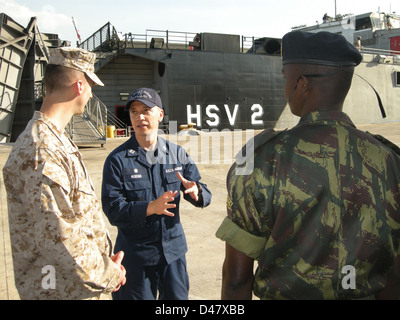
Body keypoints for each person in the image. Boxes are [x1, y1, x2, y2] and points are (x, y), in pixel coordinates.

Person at [216, 31, 400, 300]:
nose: (284, 86)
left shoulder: (261, 161)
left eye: (285, 78)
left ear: (301, 83)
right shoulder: (389, 160)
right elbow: (394, 275)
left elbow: (236, 280)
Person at [2, 47, 126, 300]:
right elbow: (58, 236)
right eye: (91, 85)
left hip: (73, 286)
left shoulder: (56, 141)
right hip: (57, 291)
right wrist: (109, 274)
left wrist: (103, 260)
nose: (92, 94)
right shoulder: (42, 150)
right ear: (80, 86)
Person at [102, 88, 212, 300]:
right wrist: (149, 208)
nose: (139, 116)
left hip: (172, 254)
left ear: (160, 114)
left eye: (146, 110)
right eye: (134, 111)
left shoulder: (177, 154)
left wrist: (196, 192)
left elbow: (204, 192)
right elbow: (113, 209)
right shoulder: (117, 160)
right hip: (136, 258)